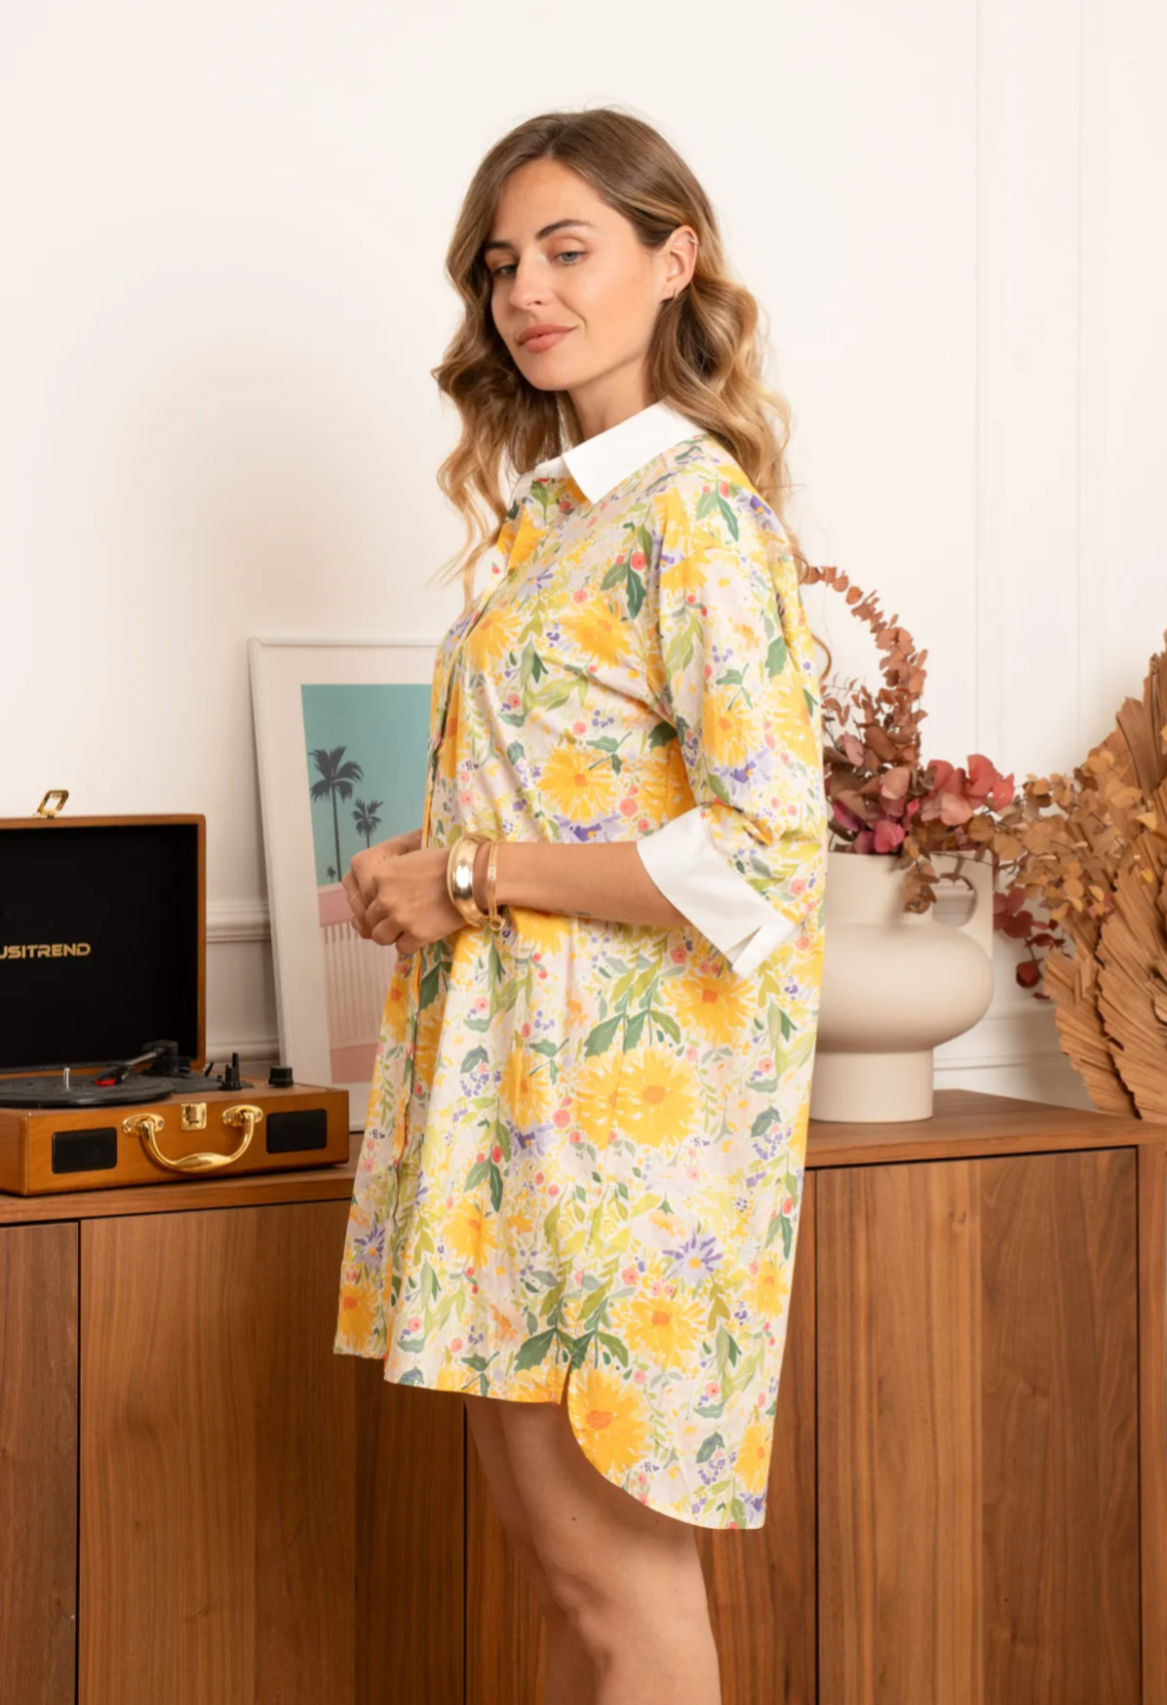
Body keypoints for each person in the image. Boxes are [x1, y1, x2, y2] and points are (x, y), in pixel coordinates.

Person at [334, 105, 828, 1705]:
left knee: (620, 1598)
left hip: (625, 1142)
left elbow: (765, 853)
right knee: (568, 1586)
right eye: (500, 266)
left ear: (673, 261)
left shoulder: (696, 516)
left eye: (567, 250)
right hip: (513, 1104)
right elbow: (575, 801)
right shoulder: (556, 525)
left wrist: (473, 874)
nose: (525, 293)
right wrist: (431, 869)